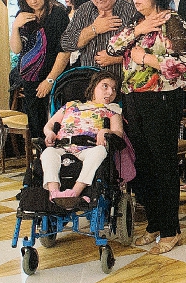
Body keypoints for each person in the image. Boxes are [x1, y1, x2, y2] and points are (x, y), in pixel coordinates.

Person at [107, 0, 186, 254]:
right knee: (141, 164)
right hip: (133, 98)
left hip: (163, 99)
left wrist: (147, 59)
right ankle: (154, 224)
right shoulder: (136, 22)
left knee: (162, 163)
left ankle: (171, 229)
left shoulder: (173, 21)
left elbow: (182, 65)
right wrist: (139, 30)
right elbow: (113, 46)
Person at [40, 71, 124, 206]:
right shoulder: (71, 105)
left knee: (100, 151)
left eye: (114, 89)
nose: (110, 91)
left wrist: (105, 130)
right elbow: (48, 125)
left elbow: (118, 133)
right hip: (63, 146)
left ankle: (75, 192)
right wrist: (49, 133)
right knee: (48, 153)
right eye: (105, 86)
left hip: (89, 148)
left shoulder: (112, 110)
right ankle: (54, 192)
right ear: (93, 87)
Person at [11, 0, 71, 139]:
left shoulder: (57, 14)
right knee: (36, 127)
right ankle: (40, 161)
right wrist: (15, 27)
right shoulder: (22, 14)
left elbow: (64, 51)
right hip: (30, 80)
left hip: (53, 77)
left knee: (54, 126)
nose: (33, 1)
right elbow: (16, 49)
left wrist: (50, 80)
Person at [61, 0, 137, 79]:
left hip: (122, 85)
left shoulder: (132, 12)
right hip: (89, 84)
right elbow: (66, 44)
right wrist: (94, 29)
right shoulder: (84, 10)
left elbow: (147, 50)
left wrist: (118, 58)